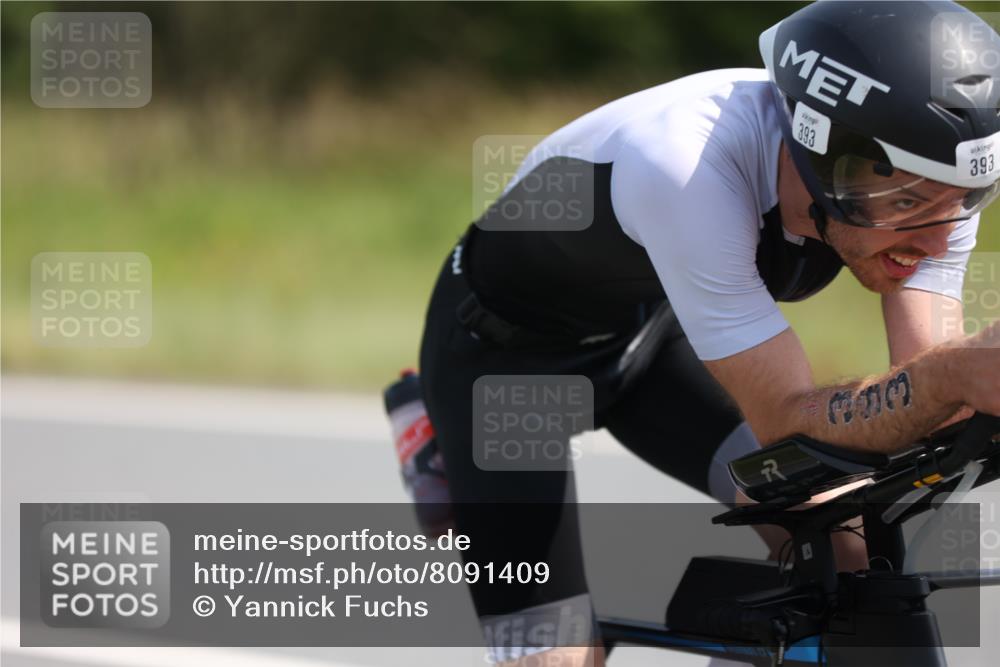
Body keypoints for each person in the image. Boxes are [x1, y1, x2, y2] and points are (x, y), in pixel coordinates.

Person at [417, 1, 1000, 665]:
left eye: (965, 200)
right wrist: (952, 375)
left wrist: (970, 384)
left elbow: (928, 404)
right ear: (821, 152)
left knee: (848, 551)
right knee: (557, 654)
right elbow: (791, 420)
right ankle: (432, 435)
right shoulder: (685, 166)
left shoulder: (938, 180)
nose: (938, 240)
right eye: (906, 202)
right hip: (504, 362)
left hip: (652, 339)